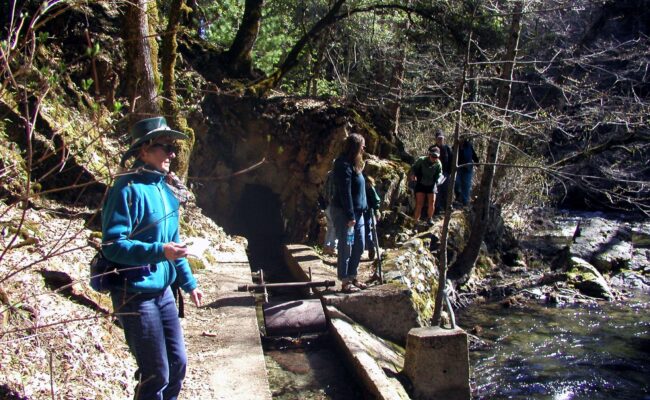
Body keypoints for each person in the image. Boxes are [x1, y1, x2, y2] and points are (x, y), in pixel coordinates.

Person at [102, 116, 203, 400]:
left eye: (172, 147)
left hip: (163, 292)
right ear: (143, 151)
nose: (172, 154)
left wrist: (189, 283)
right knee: (155, 372)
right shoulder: (126, 190)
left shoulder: (165, 190)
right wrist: (159, 251)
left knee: (177, 364)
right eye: (164, 146)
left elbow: (175, 245)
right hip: (133, 293)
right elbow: (112, 245)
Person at [330, 133, 368, 293]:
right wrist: (350, 216)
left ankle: (352, 276)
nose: (364, 148)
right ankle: (345, 281)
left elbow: (361, 189)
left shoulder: (355, 164)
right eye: (362, 145)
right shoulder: (342, 164)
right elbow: (345, 192)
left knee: (360, 245)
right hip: (344, 213)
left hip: (358, 213)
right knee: (346, 247)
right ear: (356, 147)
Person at [409, 145, 442, 226]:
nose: (434, 158)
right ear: (429, 155)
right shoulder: (421, 160)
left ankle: (430, 218)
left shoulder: (438, 164)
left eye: (436, 157)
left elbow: (440, 174)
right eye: (433, 156)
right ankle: (416, 221)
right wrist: (413, 175)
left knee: (432, 202)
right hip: (421, 183)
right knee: (419, 203)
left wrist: (438, 180)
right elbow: (414, 168)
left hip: (432, 184)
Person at [454, 137, 479, 207]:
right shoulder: (455, 147)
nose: (461, 140)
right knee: (456, 182)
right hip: (458, 168)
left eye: (462, 138)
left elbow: (473, 155)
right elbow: (452, 156)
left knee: (466, 185)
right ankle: (458, 197)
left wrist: (477, 162)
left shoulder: (468, 145)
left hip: (467, 169)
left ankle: (464, 203)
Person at [434, 130, 453, 214]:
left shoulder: (447, 148)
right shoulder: (433, 148)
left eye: (442, 138)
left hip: (445, 173)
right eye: (439, 138)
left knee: (446, 191)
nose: (440, 140)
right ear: (436, 139)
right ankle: (437, 208)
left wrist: (450, 172)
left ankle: (446, 208)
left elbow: (451, 160)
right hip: (435, 174)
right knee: (437, 191)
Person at [363, 174, 381, 260]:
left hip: (367, 211)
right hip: (359, 211)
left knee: (367, 230)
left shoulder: (367, 184)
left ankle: (371, 248)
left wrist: (376, 210)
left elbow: (375, 199)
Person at [322, 169, 337, 256]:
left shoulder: (328, 175)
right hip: (334, 205)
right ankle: (331, 247)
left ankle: (326, 247)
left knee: (330, 227)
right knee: (335, 227)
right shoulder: (337, 176)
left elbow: (324, 191)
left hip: (327, 205)